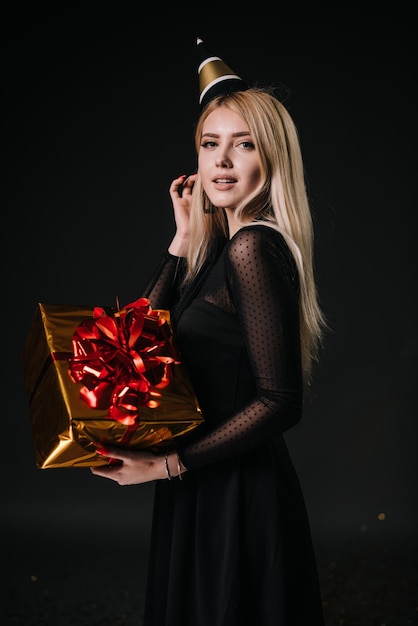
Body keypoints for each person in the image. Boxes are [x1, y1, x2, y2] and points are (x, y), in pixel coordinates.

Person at [91, 38, 327, 626]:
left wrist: (169, 466)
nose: (221, 161)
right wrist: (181, 240)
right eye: (209, 144)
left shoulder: (254, 247)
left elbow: (281, 402)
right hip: (204, 482)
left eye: (242, 145)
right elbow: (134, 337)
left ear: (270, 161)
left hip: (237, 493)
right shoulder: (220, 248)